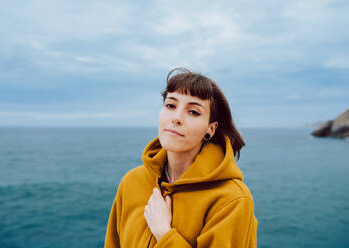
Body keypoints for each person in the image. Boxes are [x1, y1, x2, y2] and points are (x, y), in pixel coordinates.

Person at [104, 68, 258, 247]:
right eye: (170, 105)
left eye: (193, 112)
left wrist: (164, 233)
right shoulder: (132, 182)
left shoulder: (232, 199)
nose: (176, 118)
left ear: (210, 129)